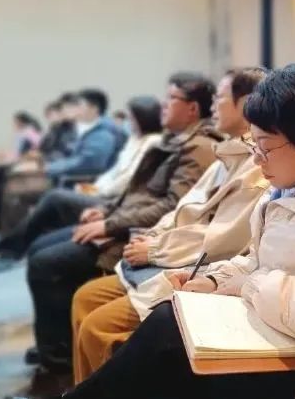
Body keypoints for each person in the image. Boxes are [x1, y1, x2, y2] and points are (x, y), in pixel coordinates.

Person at [45, 63, 295, 399]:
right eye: (253, 145)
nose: (257, 160)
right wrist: (215, 282)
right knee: (170, 319)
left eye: (265, 147)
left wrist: (248, 285)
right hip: (288, 333)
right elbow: (258, 261)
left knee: (168, 343)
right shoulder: (293, 185)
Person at [11, 72, 221, 383]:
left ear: (192, 109)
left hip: (136, 235)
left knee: (46, 263)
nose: (163, 105)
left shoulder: (200, 147)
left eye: (171, 99)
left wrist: (110, 224)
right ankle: (57, 347)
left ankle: (56, 365)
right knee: (41, 250)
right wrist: (106, 212)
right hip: (128, 224)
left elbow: (171, 207)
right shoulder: (176, 140)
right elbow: (139, 192)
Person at [70, 67, 269, 383]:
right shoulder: (225, 154)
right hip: (173, 252)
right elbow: (182, 208)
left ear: (245, 104)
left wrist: (154, 247)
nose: (213, 105)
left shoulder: (254, 164)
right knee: (85, 298)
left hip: (193, 264)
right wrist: (152, 236)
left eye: (219, 98)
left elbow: (222, 239)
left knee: (98, 326)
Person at [79, 96, 163, 200]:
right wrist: (95, 188)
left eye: (131, 118)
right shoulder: (134, 138)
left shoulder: (153, 141)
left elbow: (129, 178)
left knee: (61, 197)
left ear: (143, 119)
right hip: (107, 193)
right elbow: (116, 169)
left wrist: (101, 192)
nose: (129, 123)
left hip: (120, 199)